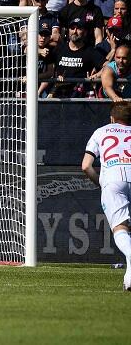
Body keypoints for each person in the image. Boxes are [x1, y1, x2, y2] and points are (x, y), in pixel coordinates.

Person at [82, 101, 131, 291]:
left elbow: (86, 165)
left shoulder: (101, 131)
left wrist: (102, 184)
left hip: (113, 178)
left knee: (121, 229)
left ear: (112, 118)